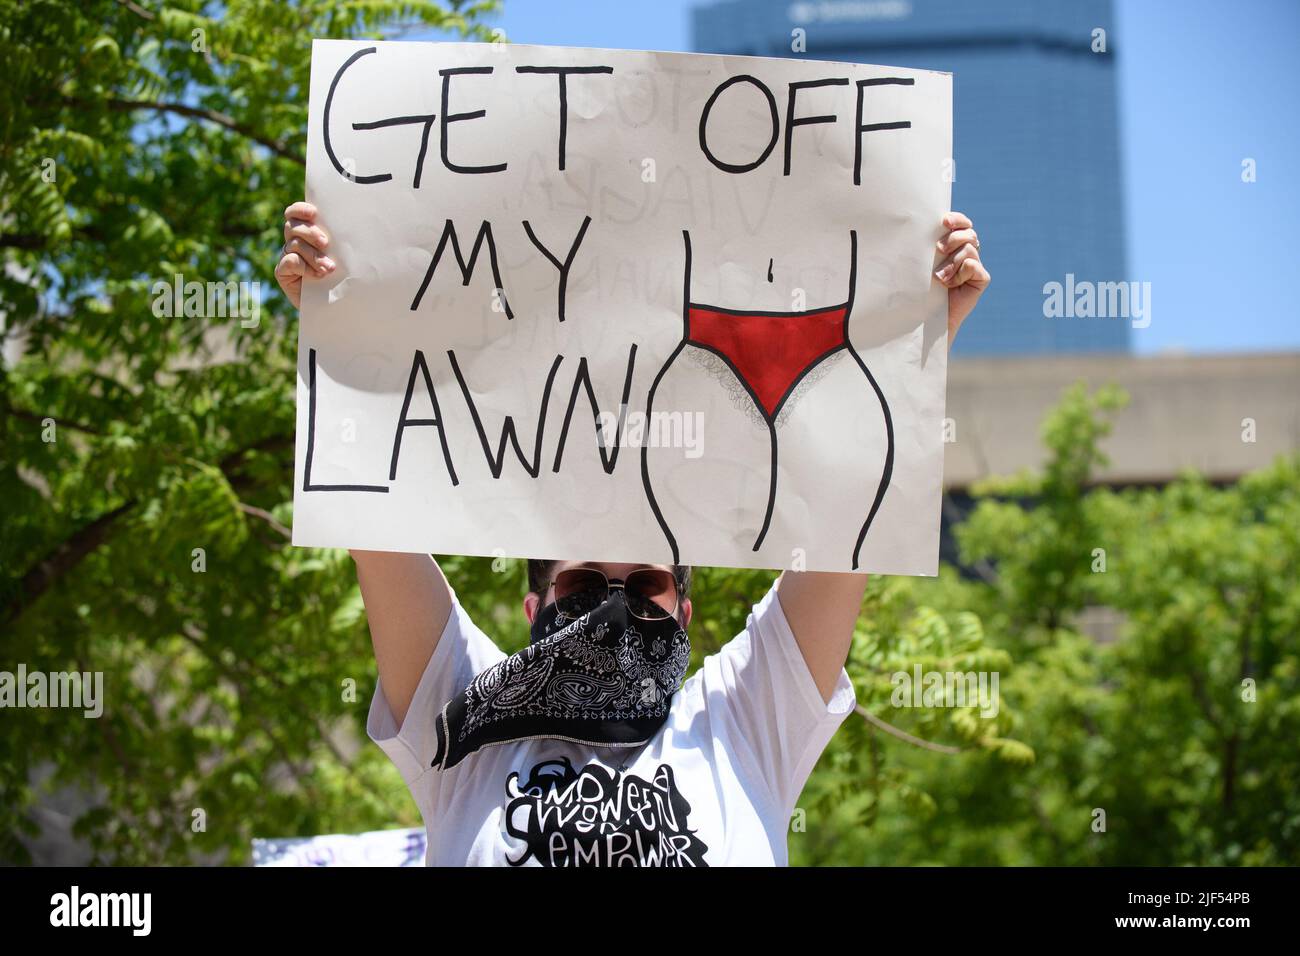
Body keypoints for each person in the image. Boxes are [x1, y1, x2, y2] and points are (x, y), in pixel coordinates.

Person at [275, 200, 989, 866]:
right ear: (535, 608)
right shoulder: (469, 731)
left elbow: (844, 520)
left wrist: (917, 339)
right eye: (583, 584)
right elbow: (373, 518)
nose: (616, 606)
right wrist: (336, 327)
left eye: (645, 584)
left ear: (685, 609)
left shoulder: (742, 722)